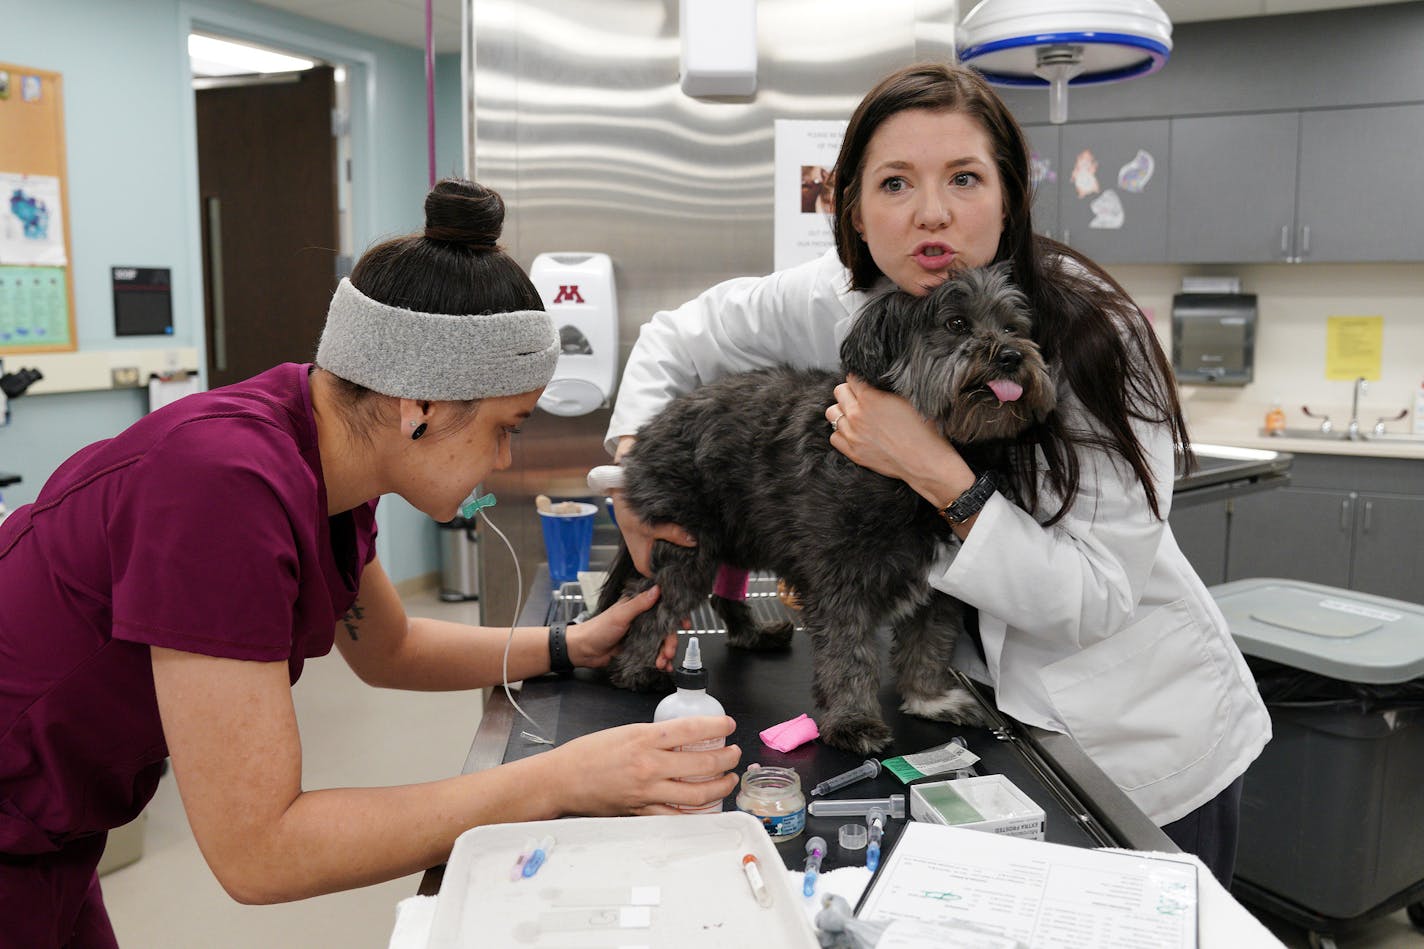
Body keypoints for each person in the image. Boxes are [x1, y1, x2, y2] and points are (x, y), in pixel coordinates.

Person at [0, 178, 739, 948]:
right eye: (503, 427)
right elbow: (259, 851)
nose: (504, 457)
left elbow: (390, 649)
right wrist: (557, 780)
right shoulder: (220, 486)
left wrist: (569, 645)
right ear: (419, 403)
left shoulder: (324, 460)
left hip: (54, 837)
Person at [603, 64, 1269, 884]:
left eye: (964, 177)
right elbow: (676, 336)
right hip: (960, 727)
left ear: (1010, 195)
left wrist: (934, 473)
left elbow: (1094, 599)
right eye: (895, 183)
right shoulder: (847, 297)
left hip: (1133, 746)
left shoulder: (1098, 336)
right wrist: (634, 473)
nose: (932, 213)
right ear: (851, 206)